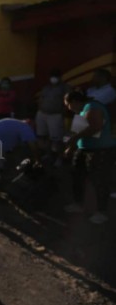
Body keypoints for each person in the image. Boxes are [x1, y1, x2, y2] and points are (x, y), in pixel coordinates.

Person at [63, 90, 116, 224]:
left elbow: (95, 127)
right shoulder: (81, 112)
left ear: (74, 102)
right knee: (77, 176)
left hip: (100, 150)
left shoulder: (93, 107)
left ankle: (101, 212)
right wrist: (71, 147)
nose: (68, 108)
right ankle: (79, 204)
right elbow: (78, 132)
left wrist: (75, 138)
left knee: (99, 180)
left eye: (67, 105)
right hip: (84, 149)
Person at [36, 68, 71, 165]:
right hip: (42, 114)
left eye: (55, 76)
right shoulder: (46, 87)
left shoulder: (65, 87)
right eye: (52, 76)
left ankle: (59, 158)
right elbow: (41, 99)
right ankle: (49, 155)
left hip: (55, 116)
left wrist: (63, 113)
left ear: (60, 77)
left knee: (57, 139)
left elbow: (69, 102)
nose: (53, 79)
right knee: (44, 137)